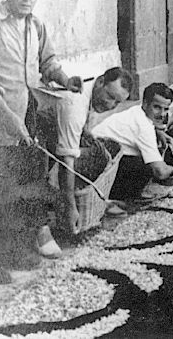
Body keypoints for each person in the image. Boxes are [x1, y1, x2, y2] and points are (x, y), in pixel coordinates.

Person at [0, 0, 84, 283]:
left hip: (25, 116)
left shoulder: (36, 25)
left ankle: (16, 249)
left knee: (21, 189)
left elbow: (47, 62)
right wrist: (14, 123)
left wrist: (64, 78)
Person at [31, 67, 133, 234]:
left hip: (47, 129)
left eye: (116, 102)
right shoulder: (75, 106)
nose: (110, 105)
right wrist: (70, 207)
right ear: (100, 82)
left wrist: (85, 132)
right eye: (109, 96)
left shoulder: (89, 90)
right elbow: (67, 164)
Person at [91, 83, 173, 201]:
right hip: (97, 168)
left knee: (148, 157)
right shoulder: (143, 126)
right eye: (157, 107)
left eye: (166, 109)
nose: (162, 114)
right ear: (145, 103)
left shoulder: (138, 112)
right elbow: (160, 172)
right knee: (147, 167)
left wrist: (158, 132)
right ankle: (122, 196)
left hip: (99, 155)